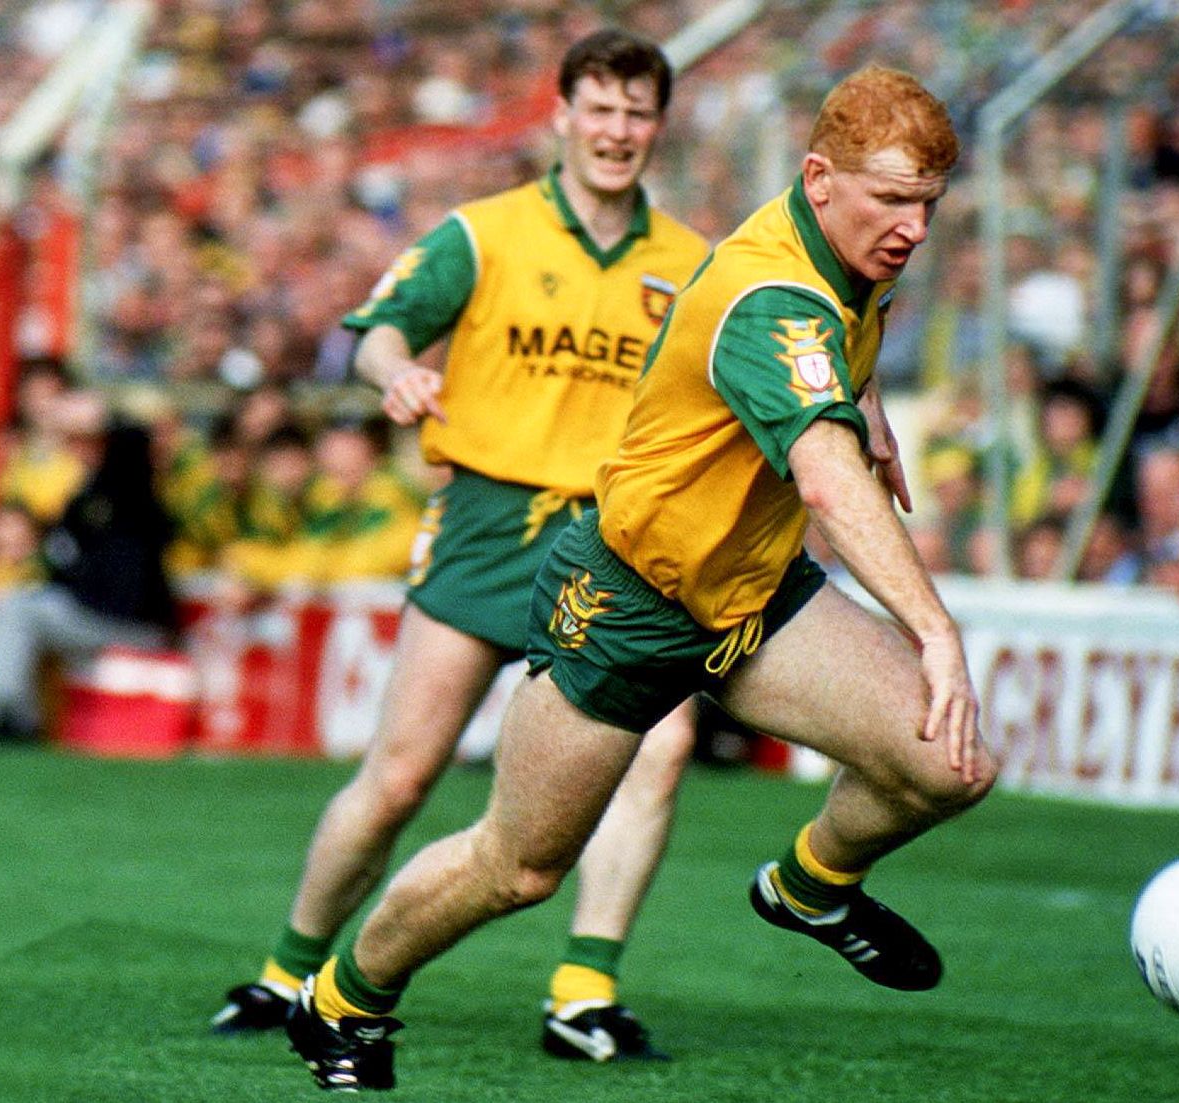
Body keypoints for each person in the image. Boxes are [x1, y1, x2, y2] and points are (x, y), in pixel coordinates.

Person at [285, 65, 997, 1093]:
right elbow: (827, 479)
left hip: (752, 591)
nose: (914, 228)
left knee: (947, 766)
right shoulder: (768, 296)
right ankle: (341, 998)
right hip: (627, 600)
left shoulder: (844, 246)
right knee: (518, 866)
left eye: (928, 203)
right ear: (818, 178)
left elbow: (838, 341)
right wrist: (934, 628)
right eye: (893, 200)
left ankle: (809, 885)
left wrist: (867, 396)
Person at [211, 29, 708, 1064]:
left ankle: (584, 991)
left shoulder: (693, 263)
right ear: (561, 116)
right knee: (400, 776)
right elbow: (378, 329)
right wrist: (396, 371)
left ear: (658, 126)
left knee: (659, 749)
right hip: (487, 521)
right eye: (600, 108)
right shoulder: (482, 233)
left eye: (636, 112)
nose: (617, 130)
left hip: (617, 539)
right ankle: (286, 969)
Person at [0, 415, 177, 741]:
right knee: (22, 606)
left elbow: (97, 583)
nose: (86, 451)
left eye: (95, 443)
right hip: (121, 622)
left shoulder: (116, 502)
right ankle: (13, 713)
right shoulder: (139, 504)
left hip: (124, 627)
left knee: (18, 607)